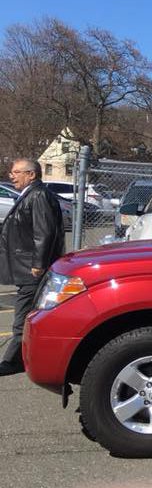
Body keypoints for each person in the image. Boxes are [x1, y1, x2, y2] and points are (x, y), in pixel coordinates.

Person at [0, 158, 64, 377]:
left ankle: (13, 360)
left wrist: (38, 264)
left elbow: (44, 232)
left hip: (31, 269)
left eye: (16, 172)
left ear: (31, 174)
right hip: (26, 267)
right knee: (31, 313)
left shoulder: (37, 196)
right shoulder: (32, 194)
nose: (12, 175)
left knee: (23, 314)